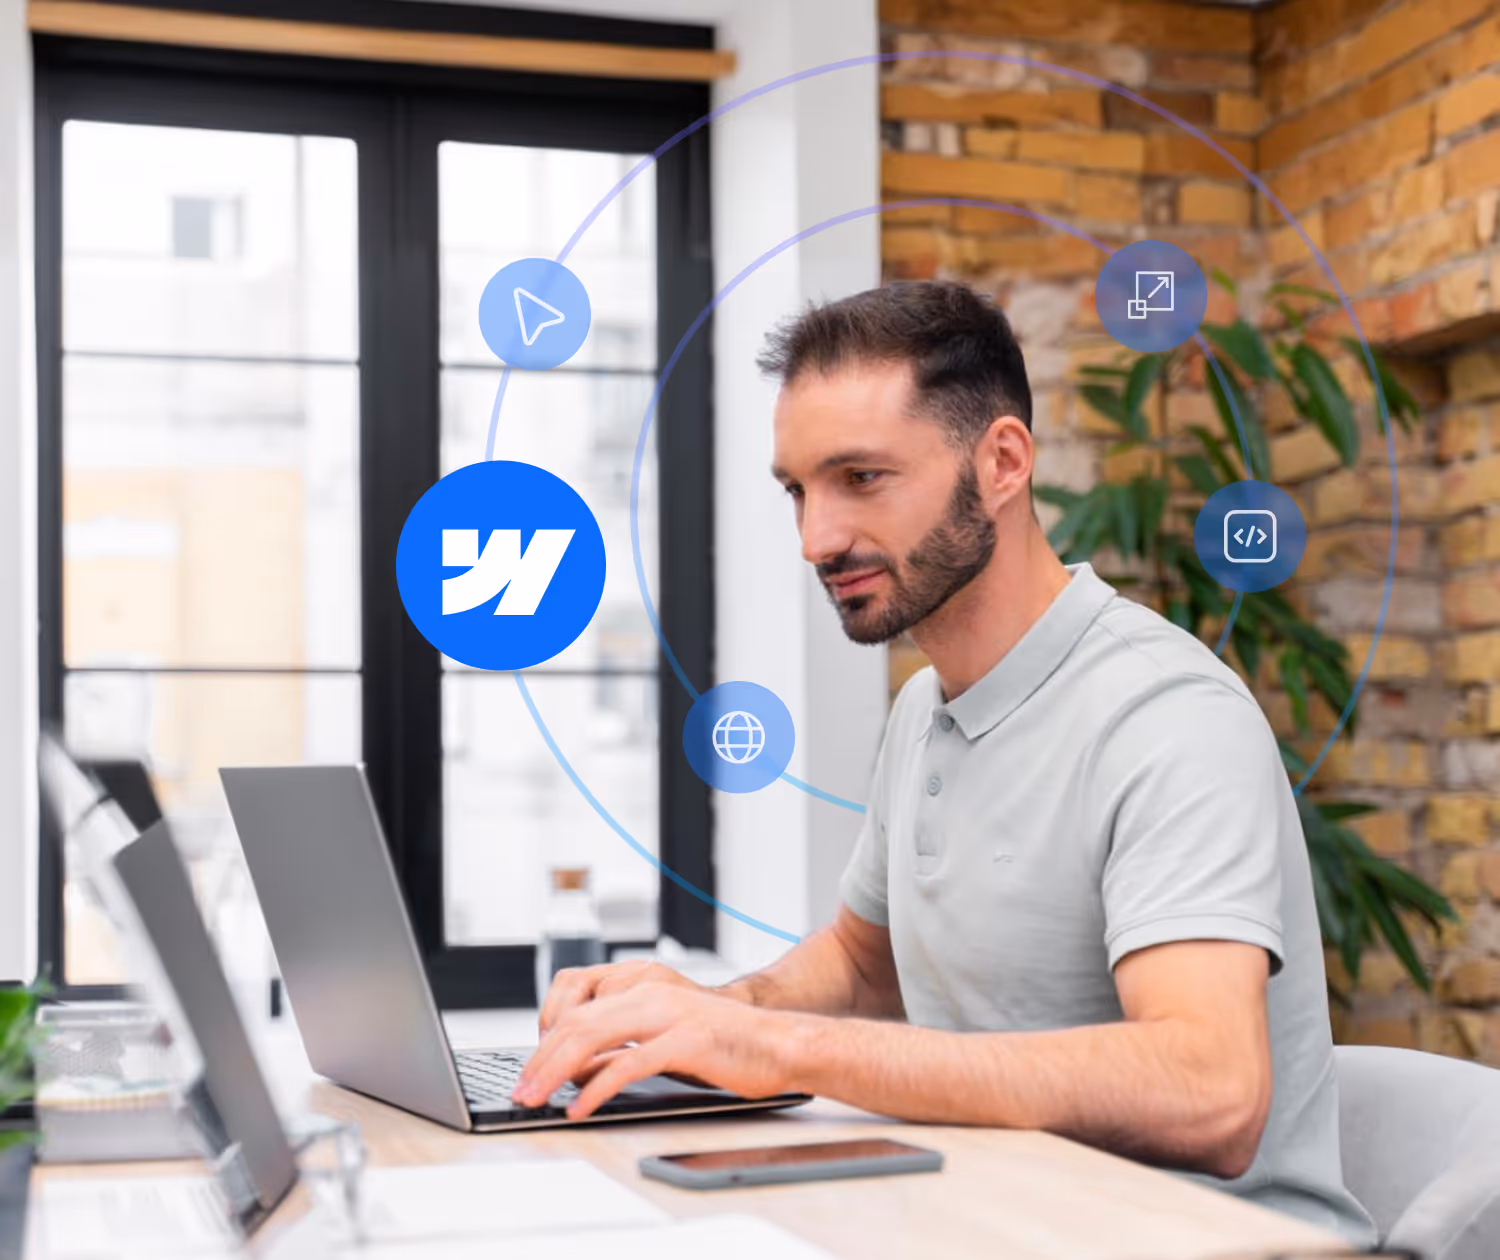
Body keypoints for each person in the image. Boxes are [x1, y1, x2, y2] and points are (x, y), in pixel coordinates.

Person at [510, 281, 1375, 1244]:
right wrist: (711, 1012)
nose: (816, 539)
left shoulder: (1166, 715)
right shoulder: (929, 705)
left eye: (861, 478)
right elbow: (860, 962)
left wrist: (779, 1044)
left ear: (1002, 461)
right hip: (993, 1217)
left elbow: (1210, 1092)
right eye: (799, 489)